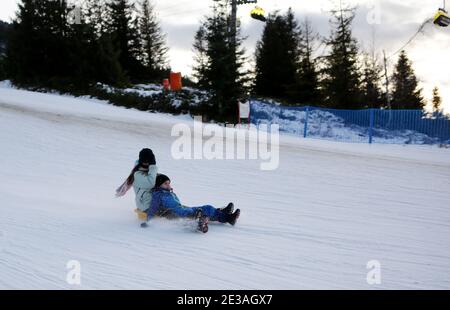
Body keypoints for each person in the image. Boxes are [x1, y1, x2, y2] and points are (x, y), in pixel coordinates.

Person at [145, 174, 240, 229]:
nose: (168, 185)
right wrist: (148, 221)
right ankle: (228, 218)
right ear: (159, 185)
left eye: (169, 183)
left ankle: (222, 213)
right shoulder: (158, 195)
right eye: (165, 184)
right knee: (207, 208)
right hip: (177, 213)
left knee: (207, 208)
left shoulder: (165, 192)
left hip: (181, 209)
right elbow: (153, 208)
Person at [116, 149, 158, 225]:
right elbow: (151, 183)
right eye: (144, 161)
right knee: (170, 212)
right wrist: (153, 167)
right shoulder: (138, 174)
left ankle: (183, 213)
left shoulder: (147, 170)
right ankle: (180, 222)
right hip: (146, 205)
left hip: (153, 201)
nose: (146, 163)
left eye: (148, 161)